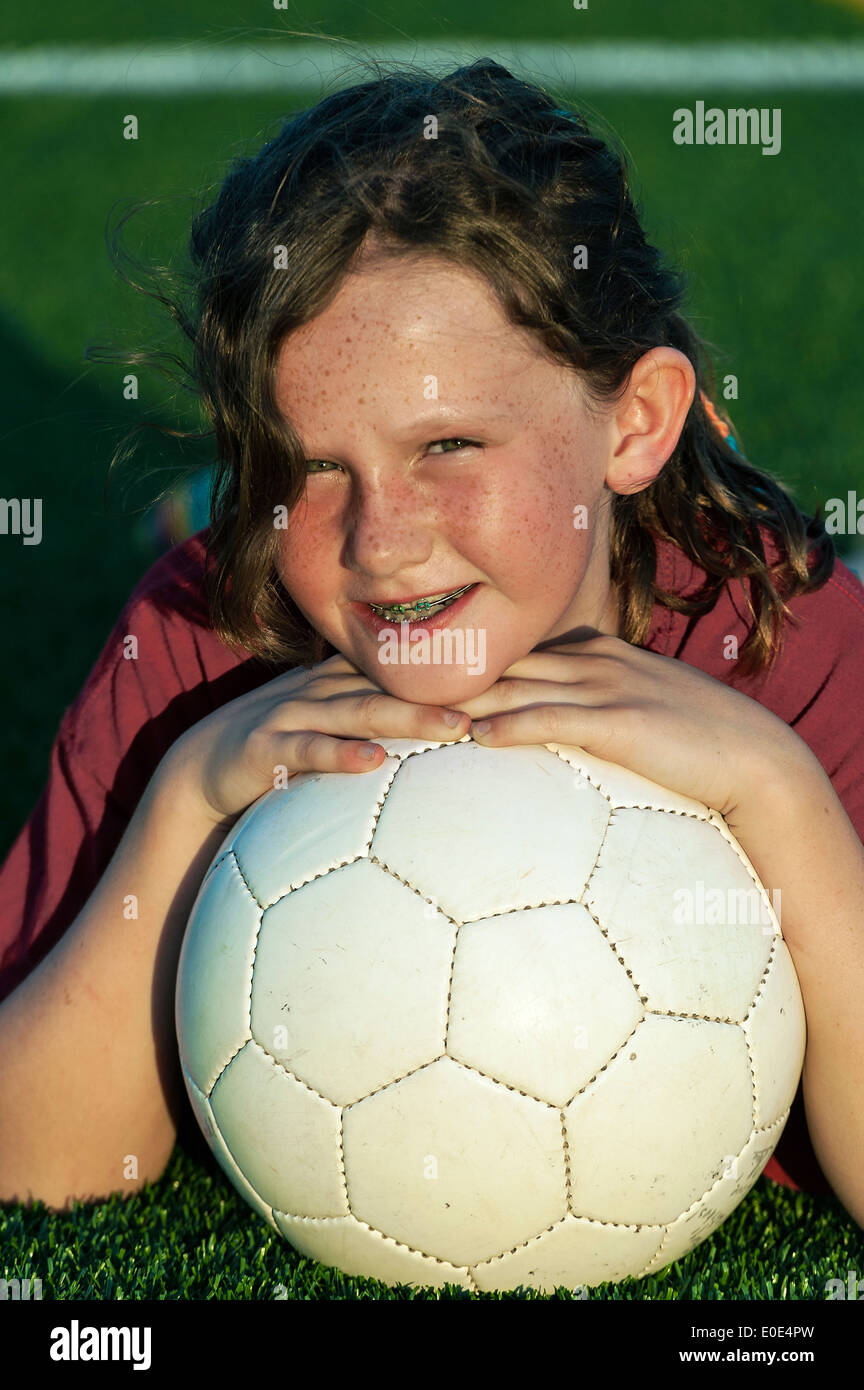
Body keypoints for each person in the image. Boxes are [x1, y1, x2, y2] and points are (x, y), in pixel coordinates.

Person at [1, 59, 862, 1232]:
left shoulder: (782, 636)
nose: (385, 542)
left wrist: (779, 792)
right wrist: (186, 804)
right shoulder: (207, 637)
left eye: (448, 443)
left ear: (636, 421)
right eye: (309, 465)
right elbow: (35, 1167)